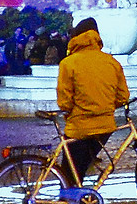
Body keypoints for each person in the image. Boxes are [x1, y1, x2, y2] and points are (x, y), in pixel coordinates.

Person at [55, 17, 131, 188]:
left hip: (79, 127)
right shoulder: (112, 62)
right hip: (104, 127)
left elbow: (64, 102)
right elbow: (123, 96)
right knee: (80, 168)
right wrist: (104, 106)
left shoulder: (68, 63)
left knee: (69, 173)